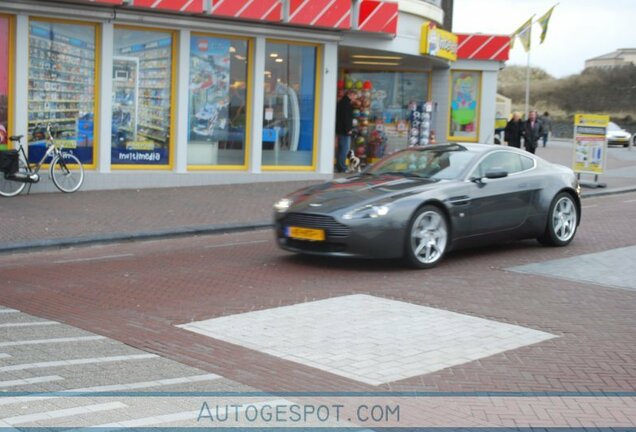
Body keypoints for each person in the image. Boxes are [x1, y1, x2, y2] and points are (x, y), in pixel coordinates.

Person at [335, 90, 356, 173]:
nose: (355, 98)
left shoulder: (341, 102)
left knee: (340, 150)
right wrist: (349, 130)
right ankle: (343, 167)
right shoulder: (346, 104)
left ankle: (339, 166)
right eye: (354, 96)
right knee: (344, 150)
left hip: (340, 130)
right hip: (344, 131)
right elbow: (346, 118)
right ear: (350, 94)